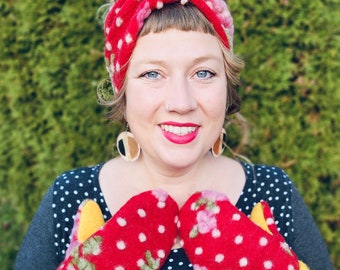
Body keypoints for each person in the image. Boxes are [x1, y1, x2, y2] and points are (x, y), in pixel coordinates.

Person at [15, 0, 333, 269]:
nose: (181, 103)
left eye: (203, 73)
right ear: (122, 94)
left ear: (227, 88)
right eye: (152, 73)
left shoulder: (273, 194)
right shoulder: (71, 198)